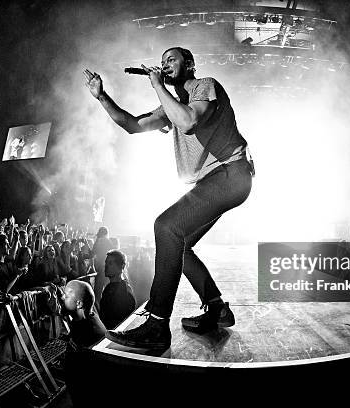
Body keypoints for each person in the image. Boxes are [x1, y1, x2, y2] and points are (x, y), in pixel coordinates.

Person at [84, 46, 253, 349]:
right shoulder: (171, 108)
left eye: (171, 60)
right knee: (180, 245)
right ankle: (216, 308)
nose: (164, 65)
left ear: (189, 64)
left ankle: (157, 324)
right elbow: (132, 125)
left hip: (232, 172)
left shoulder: (205, 86)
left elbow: (189, 121)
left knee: (166, 226)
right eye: (161, 63)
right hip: (216, 181)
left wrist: (158, 85)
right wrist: (101, 96)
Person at [61, 280, 106, 348]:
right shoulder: (91, 317)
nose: (62, 298)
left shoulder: (83, 332)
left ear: (79, 304)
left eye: (66, 296)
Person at [97, 250, 136, 329]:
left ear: (121, 267)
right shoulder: (109, 287)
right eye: (106, 263)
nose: (106, 266)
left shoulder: (124, 291)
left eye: (110, 263)